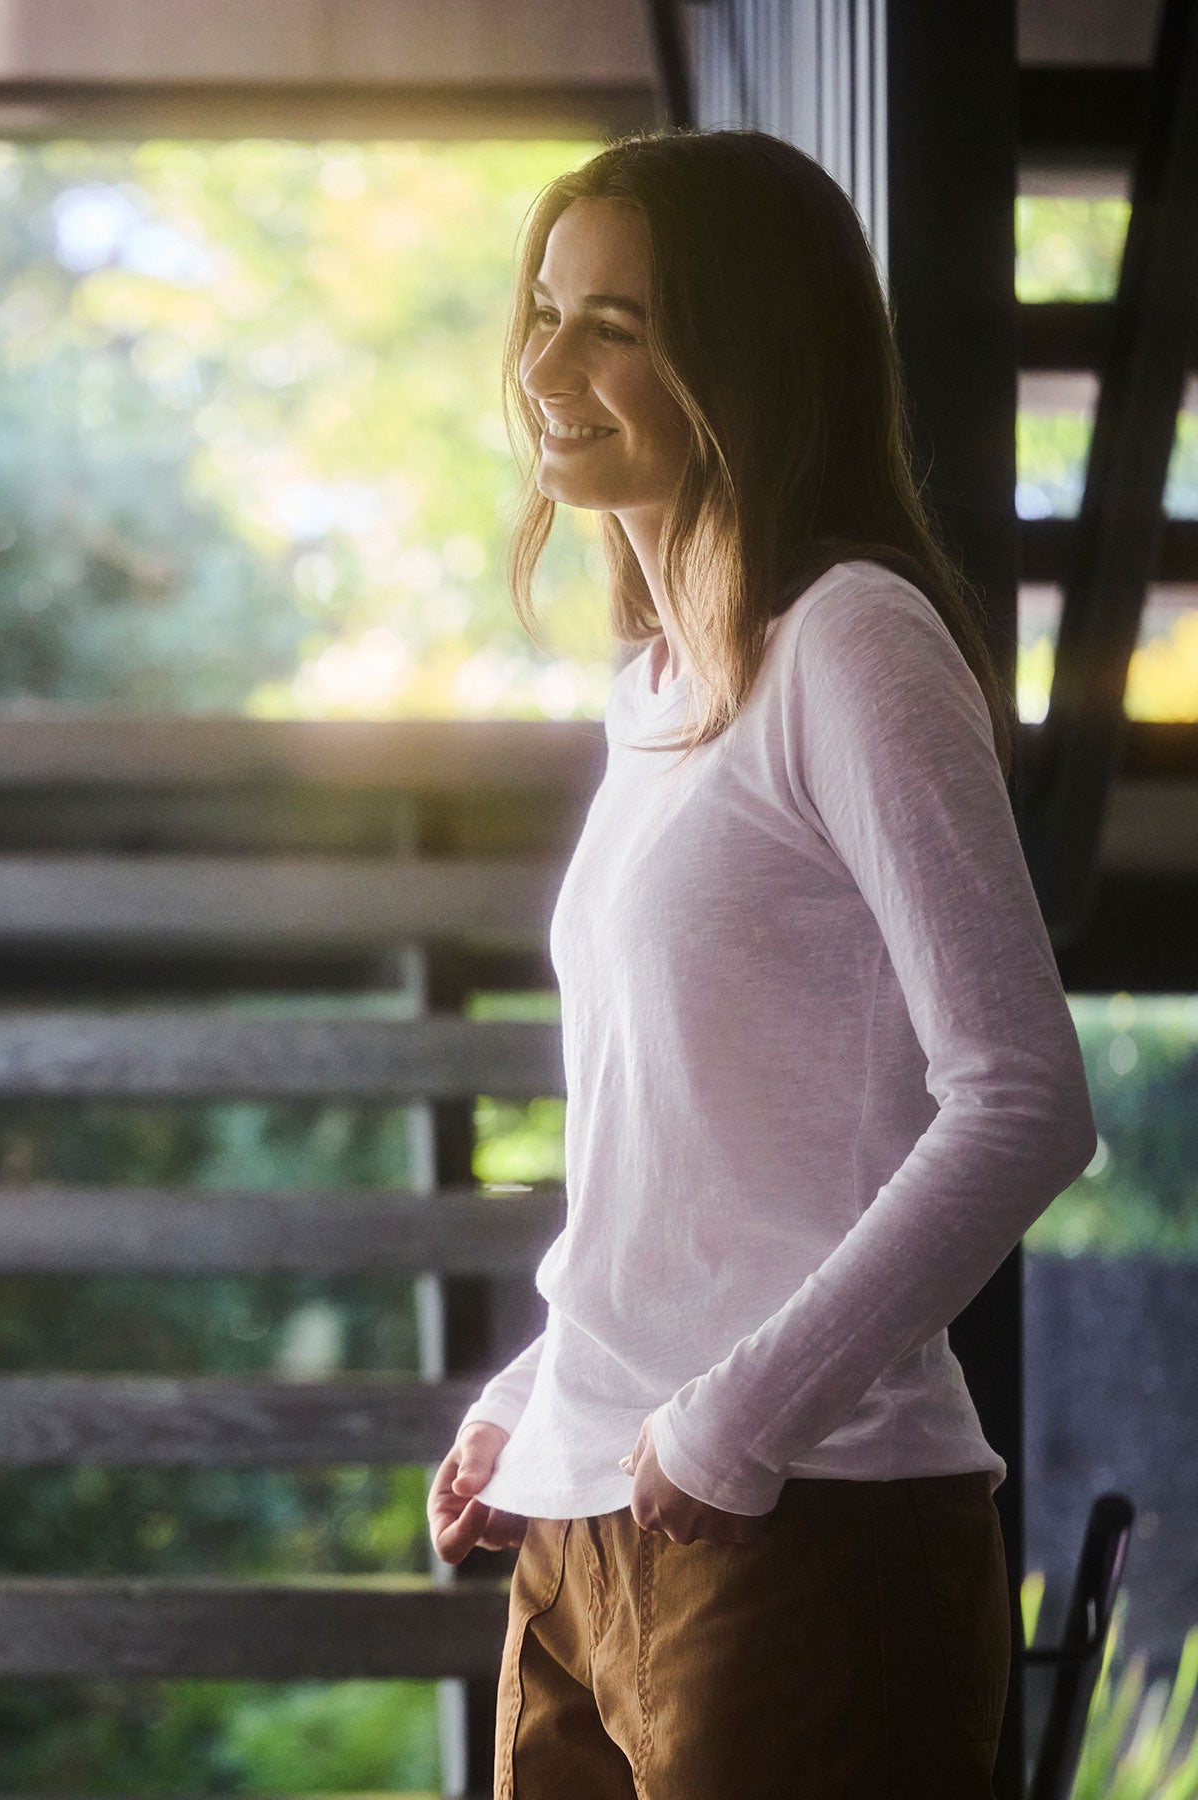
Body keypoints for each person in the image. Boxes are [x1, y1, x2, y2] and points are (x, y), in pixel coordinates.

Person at [425, 126, 1097, 1800]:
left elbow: (1024, 1103)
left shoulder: (853, 643)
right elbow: (689, 1154)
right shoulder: (653, 690)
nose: (547, 365)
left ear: (745, 359)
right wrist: (537, 1388)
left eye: (618, 325)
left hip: (807, 1528)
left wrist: (735, 1421)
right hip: (585, 1530)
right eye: (547, 309)